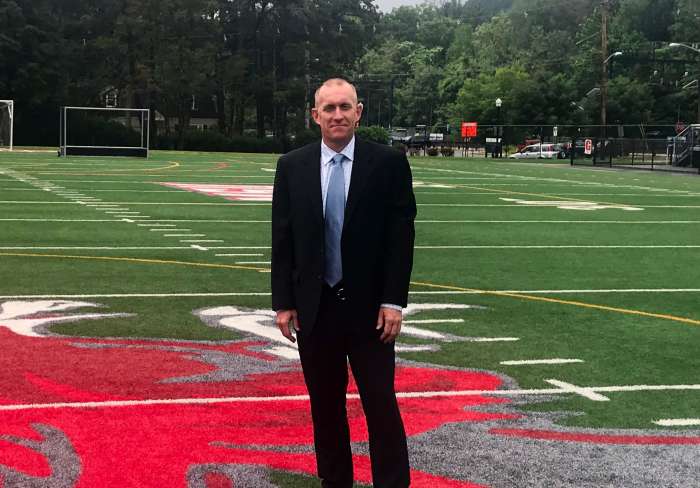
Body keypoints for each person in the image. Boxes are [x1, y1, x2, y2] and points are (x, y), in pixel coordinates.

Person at [271, 78, 416, 488]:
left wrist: (393, 300)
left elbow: (400, 239)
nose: (338, 115)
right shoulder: (292, 165)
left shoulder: (387, 163)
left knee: (381, 404)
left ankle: (392, 482)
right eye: (329, 108)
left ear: (359, 111)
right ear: (315, 115)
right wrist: (283, 302)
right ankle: (335, 482)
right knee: (326, 407)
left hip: (371, 311)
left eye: (345, 107)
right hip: (316, 309)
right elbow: (282, 238)